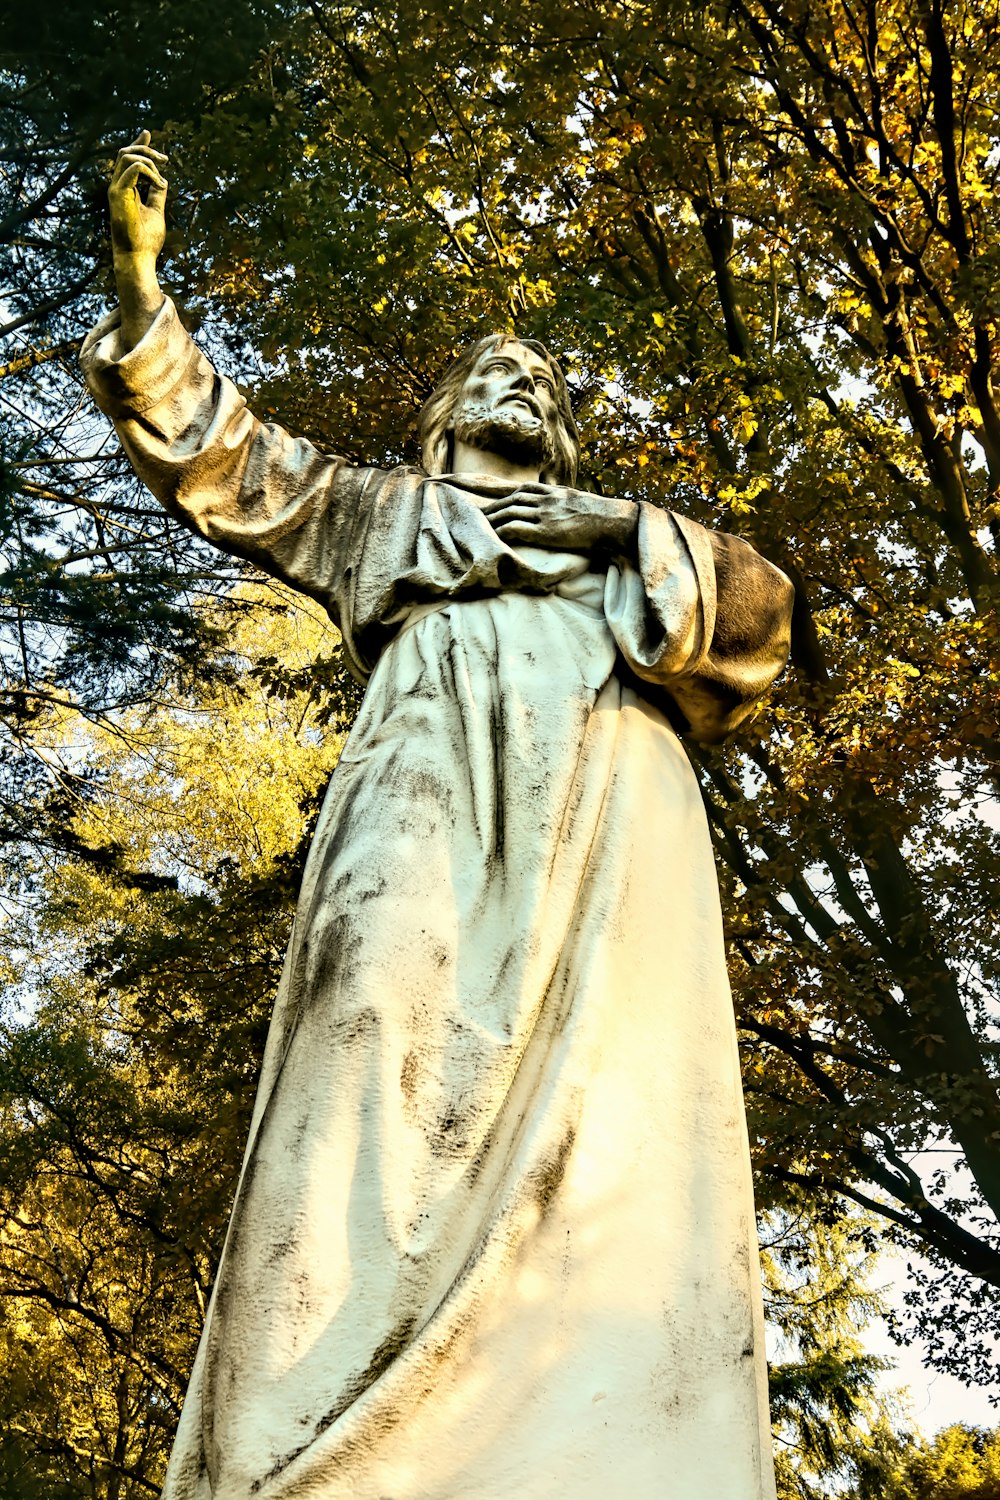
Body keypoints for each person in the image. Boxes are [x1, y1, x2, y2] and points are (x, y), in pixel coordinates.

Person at [83, 133, 795, 1500]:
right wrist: (140, 287)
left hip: (605, 798)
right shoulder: (375, 509)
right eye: (497, 374)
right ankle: (309, 1437)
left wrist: (607, 527)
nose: (521, 384)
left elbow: (762, 617)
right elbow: (228, 462)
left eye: (542, 381)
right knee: (366, 1019)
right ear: (445, 414)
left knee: (619, 1099)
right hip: (427, 770)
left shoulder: (618, 539)